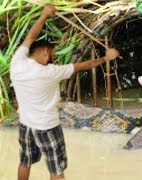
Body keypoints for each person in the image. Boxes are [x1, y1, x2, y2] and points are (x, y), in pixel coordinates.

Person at [10, 4, 119, 180]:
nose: (52, 60)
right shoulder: (50, 73)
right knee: (56, 169)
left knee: (25, 162)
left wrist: (44, 15)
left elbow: (30, 36)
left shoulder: (17, 63)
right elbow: (86, 65)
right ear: (46, 52)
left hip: (26, 125)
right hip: (47, 127)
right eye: (52, 55)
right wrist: (107, 57)